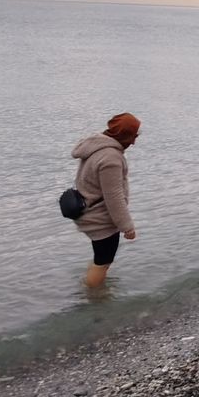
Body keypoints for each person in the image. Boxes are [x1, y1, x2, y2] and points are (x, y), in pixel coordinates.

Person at [71, 112, 141, 288]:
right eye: (133, 136)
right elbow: (114, 197)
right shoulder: (110, 158)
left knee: (100, 259)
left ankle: (91, 284)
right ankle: (94, 299)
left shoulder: (96, 146)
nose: (134, 142)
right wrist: (127, 227)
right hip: (99, 219)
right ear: (124, 136)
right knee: (103, 261)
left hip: (88, 211)